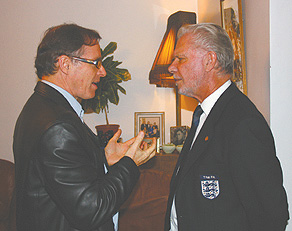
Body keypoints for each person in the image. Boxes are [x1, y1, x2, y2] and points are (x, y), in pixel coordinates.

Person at [13, 23, 156, 231]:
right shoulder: (57, 126)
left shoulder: (42, 107)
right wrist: (129, 164)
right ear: (65, 64)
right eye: (95, 63)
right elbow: (90, 210)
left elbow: (72, 184)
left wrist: (108, 162)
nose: (103, 71)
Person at [164, 23, 289, 231]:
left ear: (209, 61)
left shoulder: (242, 123)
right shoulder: (205, 112)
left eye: (181, 58)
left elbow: (271, 215)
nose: (172, 66)